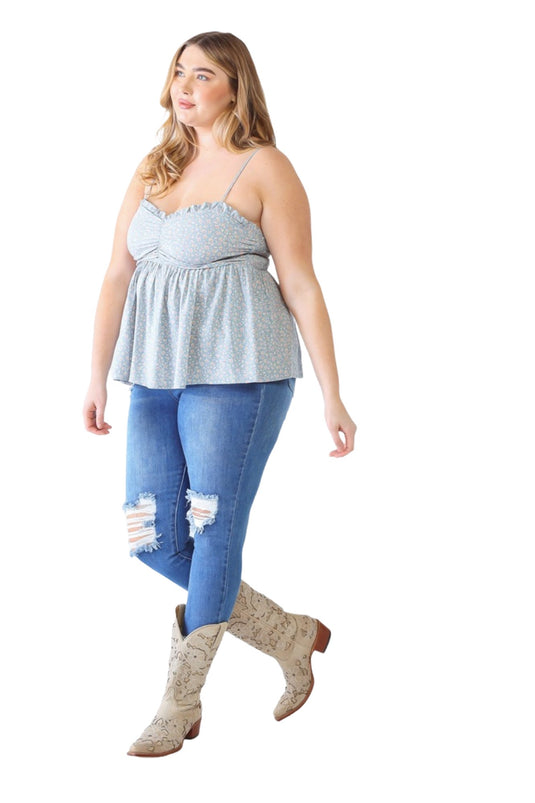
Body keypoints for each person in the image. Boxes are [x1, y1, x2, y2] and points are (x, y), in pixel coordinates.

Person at [83, 30, 357, 758]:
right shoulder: (154, 165)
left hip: (240, 372)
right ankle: (290, 634)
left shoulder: (266, 167)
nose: (184, 85)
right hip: (155, 373)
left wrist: (333, 393)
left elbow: (299, 281)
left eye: (202, 75)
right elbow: (116, 274)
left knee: (212, 528)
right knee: (150, 535)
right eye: (178, 72)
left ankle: (179, 702)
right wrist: (94, 373)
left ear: (235, 86)